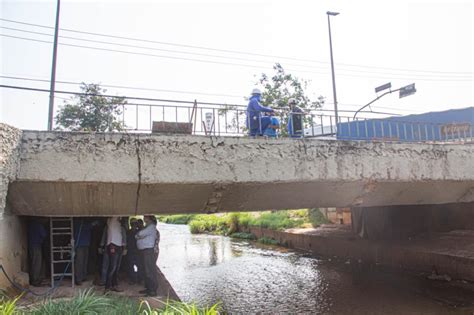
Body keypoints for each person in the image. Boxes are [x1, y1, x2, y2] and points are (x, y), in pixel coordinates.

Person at [99, 216, 127, 292]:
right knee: (112, 267)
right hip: (113, 245)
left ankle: (114, 285)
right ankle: (107, 287)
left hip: (118, 246)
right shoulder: (111, 222)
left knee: (116, 267)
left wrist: (124, 247)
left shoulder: (119, 225)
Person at [135, 215, 159, 297]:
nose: (144, 217)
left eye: (145, 216)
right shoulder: (147, 227)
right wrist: (139, 236)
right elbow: (138, 235)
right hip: (145, 251)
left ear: (149, 218)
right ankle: (148, 288)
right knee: (146, 270)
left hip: (148, 251)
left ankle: (152, 291)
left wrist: (139, 236)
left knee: (149, 271)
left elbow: (140, 234)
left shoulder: (151, 227)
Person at [27, 218, 47, 286]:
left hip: (31, 246)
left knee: (33, 263)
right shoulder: (39, 225)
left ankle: (33, 279)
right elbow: (44, 235)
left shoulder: (31, 225)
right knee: (37, 263)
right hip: (36, 246)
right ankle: (35, 281)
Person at [73, 218, 93, 285]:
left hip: (86, 243)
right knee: (79, 262)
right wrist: (93, 224)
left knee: (84, 261)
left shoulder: (85, 222)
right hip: (79, 244)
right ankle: (78, 279)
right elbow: (86, 227)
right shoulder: (77, 222)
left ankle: (83, 276)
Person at [126, 218, 141, 284]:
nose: (134, 225)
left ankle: (137, 279)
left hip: (136, 251)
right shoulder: (138, 232)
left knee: (138, 265)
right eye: (133, 224)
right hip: (132, 250)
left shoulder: (139, 232)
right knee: (131, 265)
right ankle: (135, 279)